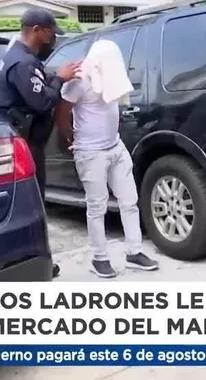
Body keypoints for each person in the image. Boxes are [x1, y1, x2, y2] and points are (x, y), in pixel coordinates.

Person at [0, 8, 80, 279]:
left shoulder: (21, 58)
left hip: (24, 142)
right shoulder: (23, 63)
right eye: (51, 34)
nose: (52, 40)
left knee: (26, 206)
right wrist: (60, 78)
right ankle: (34, 264)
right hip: (25, 145)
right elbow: (41, 101)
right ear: (37, 31)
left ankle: (24, 262)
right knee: (32, 207)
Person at [60, 39, 158, 279]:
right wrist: (69, 138)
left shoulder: (112, 75)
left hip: (116, 147)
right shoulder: (80, 81)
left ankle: (134, 252)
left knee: (129, 201)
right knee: (97, 206)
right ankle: (99, 258)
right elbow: (61, 112)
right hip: (90, 153)